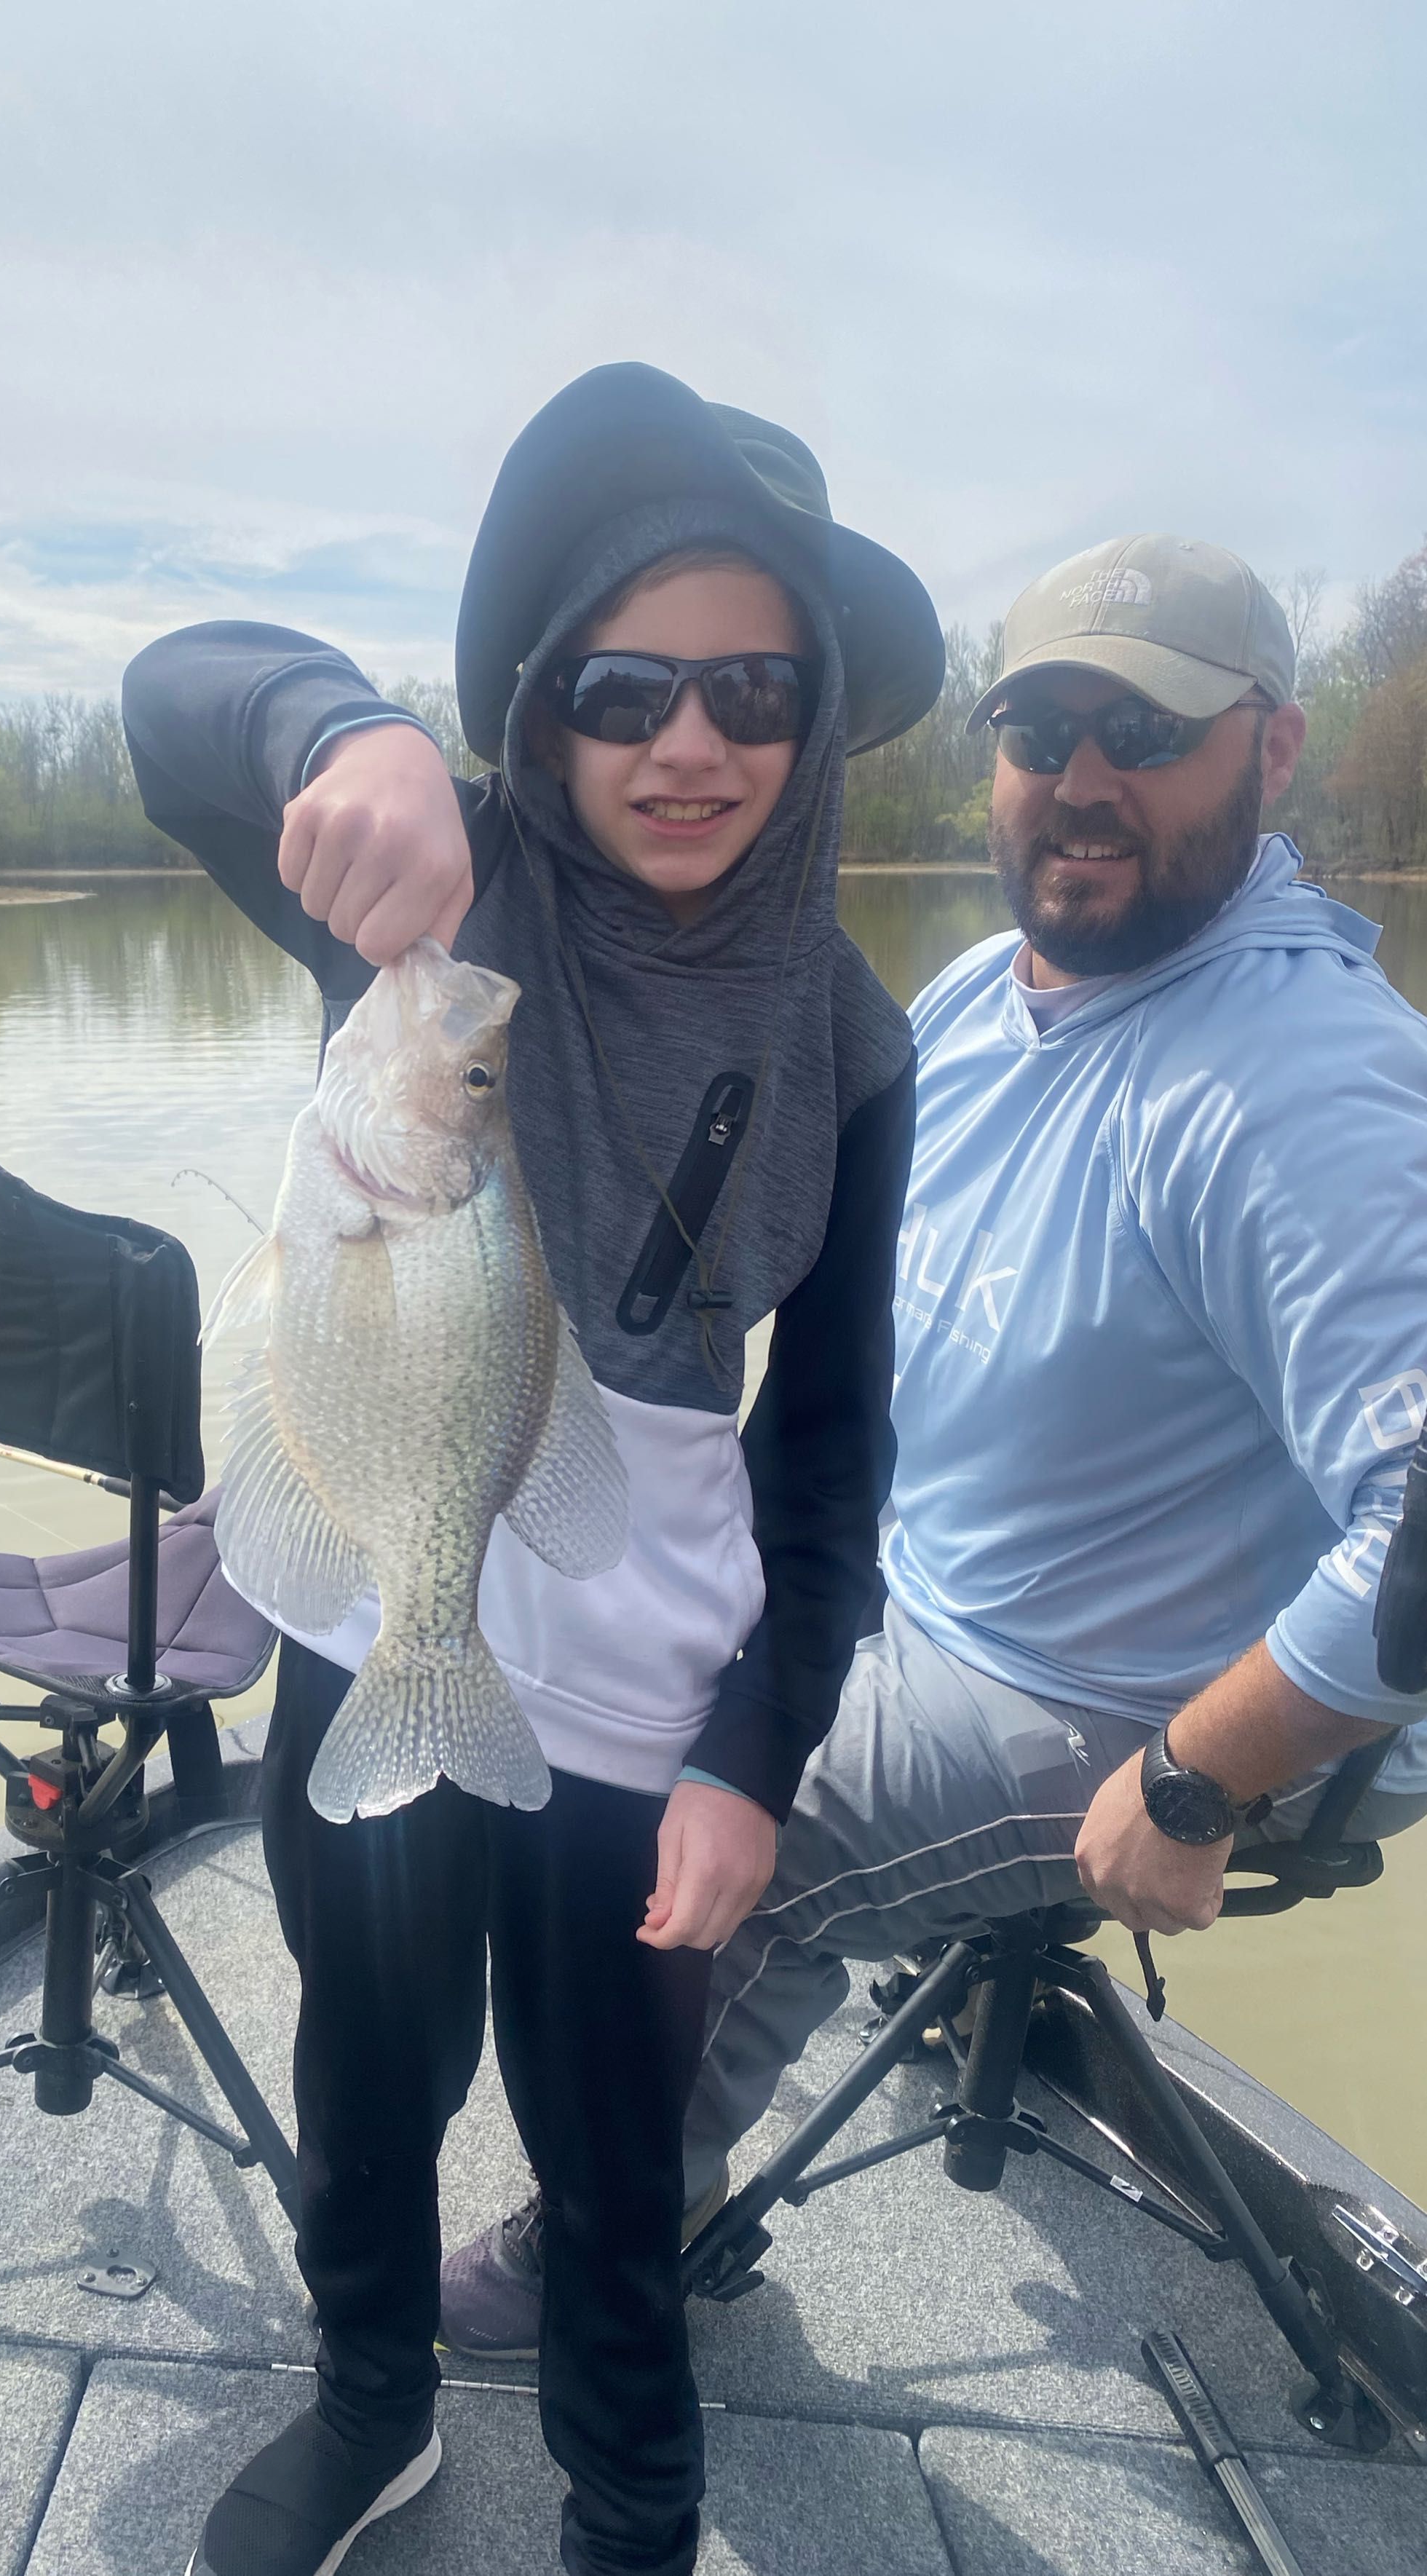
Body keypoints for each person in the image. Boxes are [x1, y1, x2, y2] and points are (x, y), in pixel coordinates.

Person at [122, 362, 945, 2576]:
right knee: (365, 2060)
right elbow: (164, 696)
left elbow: (836, 1440)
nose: (691, 743)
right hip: (384, 1570)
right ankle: (376, 2398)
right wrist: (338, 734)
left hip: (648, 1673)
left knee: (611, 2135)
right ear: (542, 703)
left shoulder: (853, 1036)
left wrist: (755, 1751)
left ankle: (636, 2500)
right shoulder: (428, 934)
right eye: (624, 684)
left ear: (821, 716)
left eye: (758, 687)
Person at [440, 532, 1427, 2366]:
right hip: (923, 1584)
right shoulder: (982, 995)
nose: (1080, 781)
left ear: (1271, 753)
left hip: (1124, 1689)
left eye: (1145, 728)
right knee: (596, 1655)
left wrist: (1202, 1777)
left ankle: (618, 2230)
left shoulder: (1304, 1078)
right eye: (1039, 723)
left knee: (726, 1813)